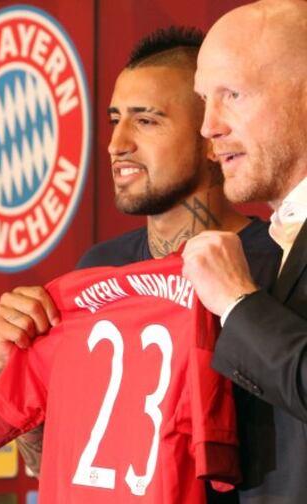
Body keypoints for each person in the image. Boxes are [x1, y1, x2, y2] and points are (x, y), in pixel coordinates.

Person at [0, 27, 281, 501]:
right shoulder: (97, 271)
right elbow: (50, 461)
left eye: (146, 121)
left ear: (210, 135)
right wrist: (10, 364)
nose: (116, 144)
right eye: (115, 120)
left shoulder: (275, 263)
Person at [182, 1, 307, 503]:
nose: (208, 126)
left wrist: (238, 302)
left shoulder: (236, 282)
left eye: (231, 94)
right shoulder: (264, 252)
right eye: (204, 100)